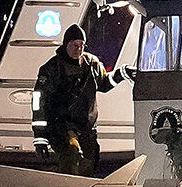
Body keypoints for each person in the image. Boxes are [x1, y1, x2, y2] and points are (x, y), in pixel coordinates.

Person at [31, 23, 135, 176]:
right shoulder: (51, 68)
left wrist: (120, 74)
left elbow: (104, 84)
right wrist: (40, 137)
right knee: (71, 152)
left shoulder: (92, 64)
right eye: (74, 45)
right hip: (61, 127)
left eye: (81, 45)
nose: (78, 49)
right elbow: (39, 102)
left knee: (91, 159)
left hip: (86, 127)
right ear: (66, 44)